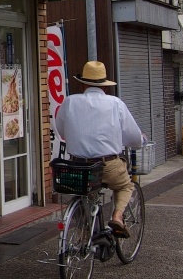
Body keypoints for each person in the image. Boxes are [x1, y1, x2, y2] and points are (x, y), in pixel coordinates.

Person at [55, 61, 143, 238]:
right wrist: (140, 141)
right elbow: (133, 137)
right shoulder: (115, 103)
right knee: (126, 185)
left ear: (82, 84)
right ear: (105, 86)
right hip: (107, 166)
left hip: (78, 167)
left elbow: (61, 131)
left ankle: (86, 235)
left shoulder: (69, 102)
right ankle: (117, 217)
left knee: (84, 193)